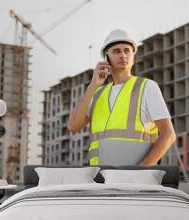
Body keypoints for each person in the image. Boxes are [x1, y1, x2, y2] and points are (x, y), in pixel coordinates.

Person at [67, 29, 176, 166]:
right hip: (100, 177)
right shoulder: (97, 94)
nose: (123, 55)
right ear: (106, 58)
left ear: (133, 56)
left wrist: (141, 168)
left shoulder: (147, 87)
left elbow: (168, 134)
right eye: (116, 51)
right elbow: (73, 126)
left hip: (137, 179)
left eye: (127, 51)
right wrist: (92, 86)